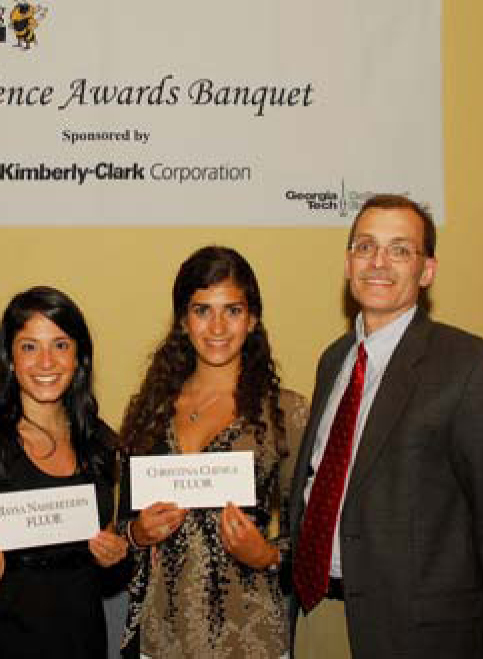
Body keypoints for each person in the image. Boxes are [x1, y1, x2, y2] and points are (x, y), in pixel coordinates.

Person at [289, 195, 483, 659]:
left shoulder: (473, 368)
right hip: (319, 617)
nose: (378, 262)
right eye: (365, 246)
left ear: (427, 271)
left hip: (425, 639)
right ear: (348, 264)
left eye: (400, 250)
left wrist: (476, 638)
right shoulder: (335, 361)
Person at [119, 245, 307, 659]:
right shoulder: (150, 409)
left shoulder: (286, 413)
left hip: (252, 638)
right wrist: (137, 534)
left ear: (252, 319)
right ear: (183, 321)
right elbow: (121, 532)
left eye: (232, 310)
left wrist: (268, 555)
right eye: (202, 310)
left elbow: (312, 536)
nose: (217, 326)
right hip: (162, 639)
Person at [0, 285, 128, 659]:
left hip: (83, 641)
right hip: (2, 643)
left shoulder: (101, 444)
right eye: (29, 347)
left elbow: (111, 545)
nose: (46, 362)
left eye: (60, 345)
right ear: (10, 359)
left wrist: (115, 554)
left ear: (78, 357)